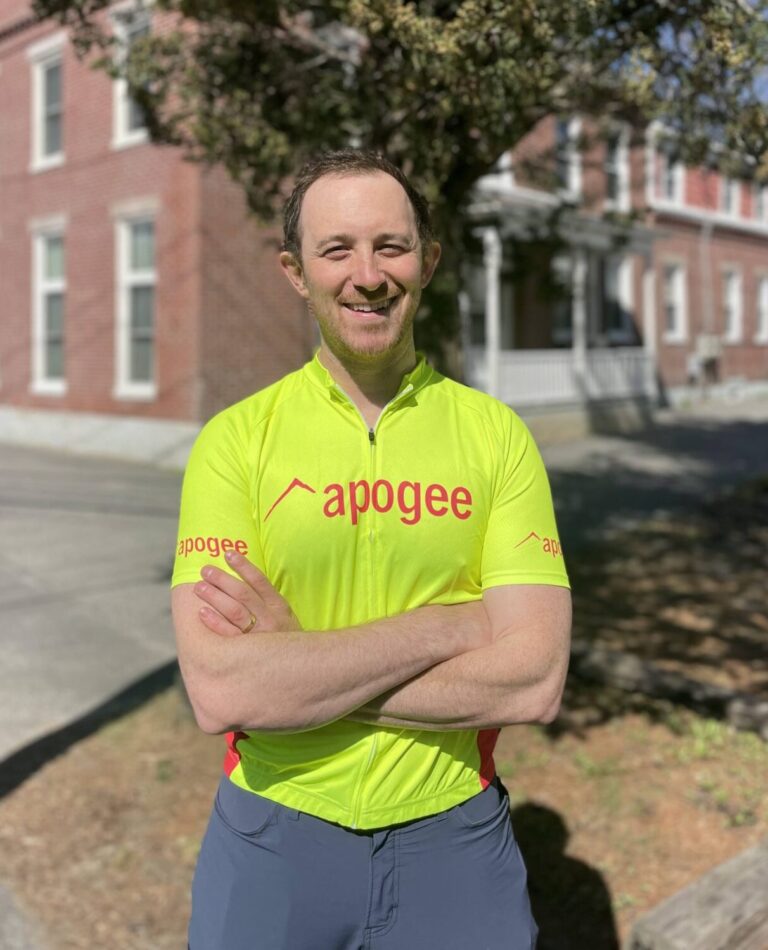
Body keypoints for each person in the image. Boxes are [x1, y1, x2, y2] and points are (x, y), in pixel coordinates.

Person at [171, 149, 572, 950]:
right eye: (337, 250)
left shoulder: (497, 437)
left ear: (428, 261)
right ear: (295, 272)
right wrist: (452, 626)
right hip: (273, 831)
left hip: (455, 834)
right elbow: (220, 690)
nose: (368, 275)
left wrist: (299, 670)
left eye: (391, 246)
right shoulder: (233, 442)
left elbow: (533, 681)